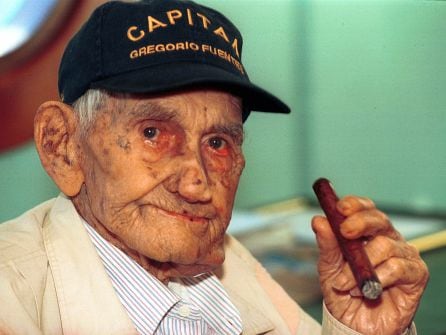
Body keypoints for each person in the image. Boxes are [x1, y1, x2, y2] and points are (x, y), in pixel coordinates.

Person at [0, 0, 428, 334]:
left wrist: (359, 330)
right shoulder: (10, 296)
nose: (196, 183)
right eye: (153, 133)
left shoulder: (224, 264)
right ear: (63, 146)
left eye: (218, 142)